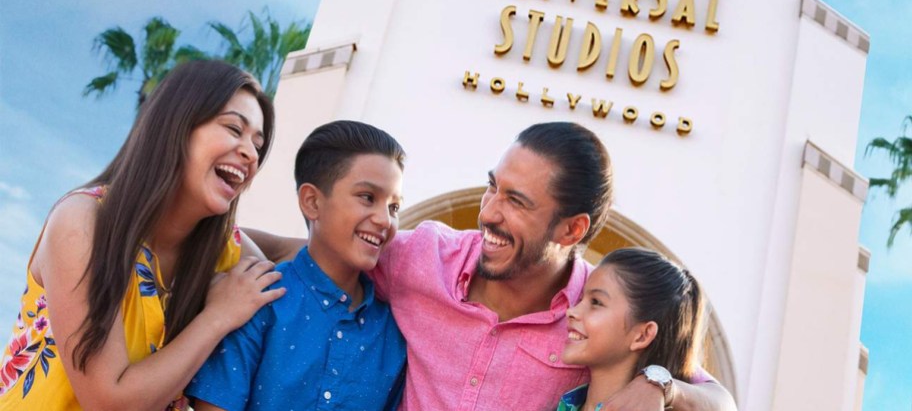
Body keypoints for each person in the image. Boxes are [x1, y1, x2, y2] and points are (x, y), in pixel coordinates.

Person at [250, 121, 736, 411]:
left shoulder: (596, 317)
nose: (488, 213)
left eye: (517, 202)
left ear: (571, 230)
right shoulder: (421, 258)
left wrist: (662, 387)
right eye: (492, 187)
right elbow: (308, 252)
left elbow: (721, 400)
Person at [0, 60, 285, 410]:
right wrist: (217, 316)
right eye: (233, 129)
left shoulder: (222, 249)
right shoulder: (82, 222)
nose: (250, 153)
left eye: (258, 144)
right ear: (176, 126)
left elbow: (314, 265)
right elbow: (109, 401)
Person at [186, 120, 407, 411]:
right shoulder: (255, 300)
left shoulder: (394, 332)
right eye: (368, 198)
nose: (384, 220)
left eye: (394, 207)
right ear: (312, 202)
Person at [558, 248, 707, 411]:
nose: (571, 311)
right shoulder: (568, 404)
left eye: (596, 302)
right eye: (580, 299)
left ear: (642, 336)